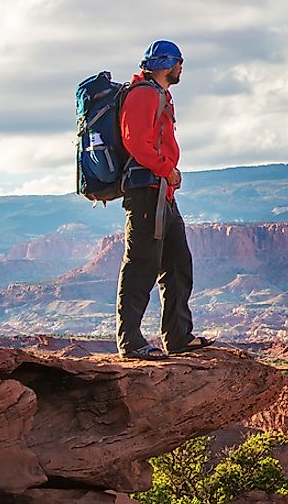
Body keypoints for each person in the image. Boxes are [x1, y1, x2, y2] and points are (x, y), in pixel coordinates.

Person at [115, 39, 213, 360]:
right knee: (142, 262)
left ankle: (178, 336)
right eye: (180, 62)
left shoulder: (159, 95)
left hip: (162, 194)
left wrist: (168, 174)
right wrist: (165, 169)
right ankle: (130, 341)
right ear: (167, 63)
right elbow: (136, 142)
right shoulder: (143, 94)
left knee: (177, 263)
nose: (182, 68)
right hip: (147, 193)